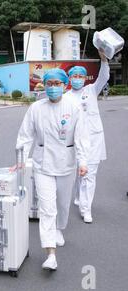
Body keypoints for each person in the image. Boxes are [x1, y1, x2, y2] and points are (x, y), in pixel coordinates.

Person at [15, 68, 89, 271]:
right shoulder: (36, 108)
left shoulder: (74, 107)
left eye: (57, 84)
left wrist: (83, 162)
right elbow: (25, 135)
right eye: (49, 84)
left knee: (63, 205)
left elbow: (81, 137)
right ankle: (50, 254)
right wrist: (21, 158)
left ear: (64, 85)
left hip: (66, 163)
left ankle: (59, 228)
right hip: (42, 164)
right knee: (47, 208)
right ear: (44, 86)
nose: (53, 87)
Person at [65, 50, 110, 224]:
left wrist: (104, 59)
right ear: (69, 78)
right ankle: (78, 197)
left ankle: (86, 209)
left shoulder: (91, 90)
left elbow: (104, 77)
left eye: (80, 75)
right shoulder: (66, 97)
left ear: (85, 78)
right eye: (74, 75)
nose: (77, 78)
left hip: (93, 138)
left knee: (89, 174)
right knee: (79, 172)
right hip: (75, 140)